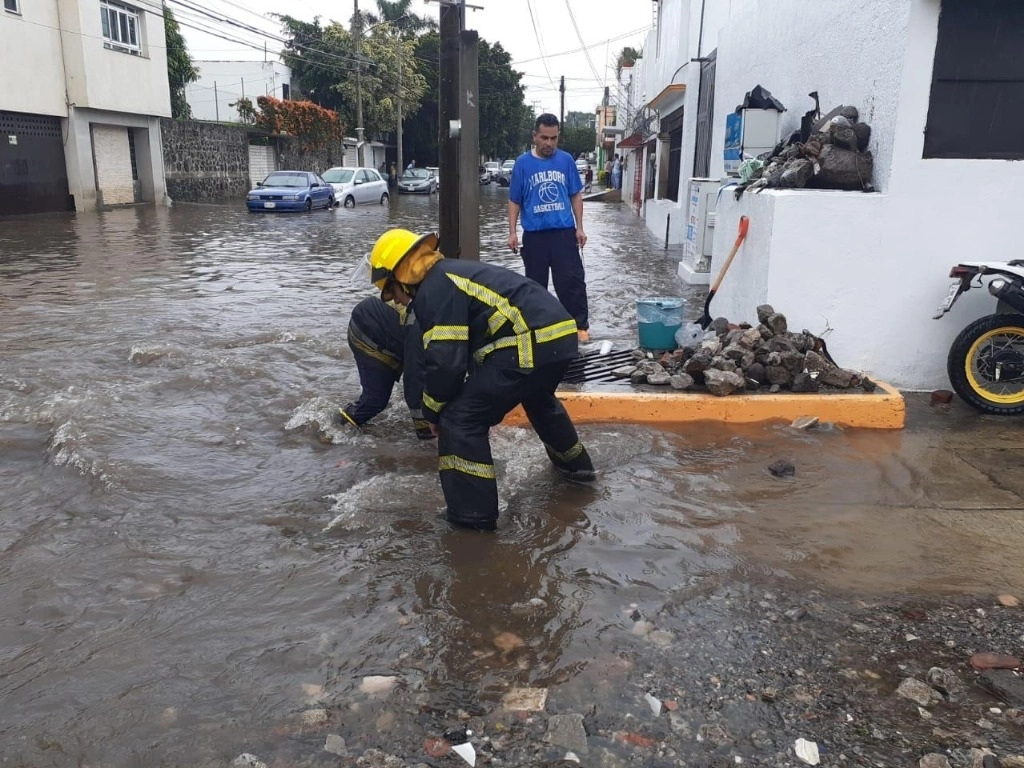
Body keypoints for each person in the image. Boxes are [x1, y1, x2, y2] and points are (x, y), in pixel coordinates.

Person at [368, 228, 596, 531]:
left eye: (392, 293)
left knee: (460, 420)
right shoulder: (454, 275)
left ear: (403, 277)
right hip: (559, 337)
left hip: (526, 344)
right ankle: (578, 473)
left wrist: (433, 411)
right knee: (539, 401)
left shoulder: (435, 288)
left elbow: (446, 363)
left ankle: (471, 518)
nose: (397, 302)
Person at [507, 113, 591, 343]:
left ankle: (579, 329)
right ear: (535, 136)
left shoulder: (566, 161)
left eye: (554, 138)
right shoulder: (522, 164)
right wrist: (513, 231)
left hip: (563, 233)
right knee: (534, 287)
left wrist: (580, 228)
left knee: (571, 282)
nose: (549, 143)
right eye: (544, 138)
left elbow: (575, 194)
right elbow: (515, 200)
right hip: (534, 236)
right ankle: (537, 333)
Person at [335, 296, 432, 440]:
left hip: (390, 325)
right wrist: (426, 431)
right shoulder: (425, 331)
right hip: (369, 331)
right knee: (375, 401)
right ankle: (334, 429)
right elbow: (414, 378)